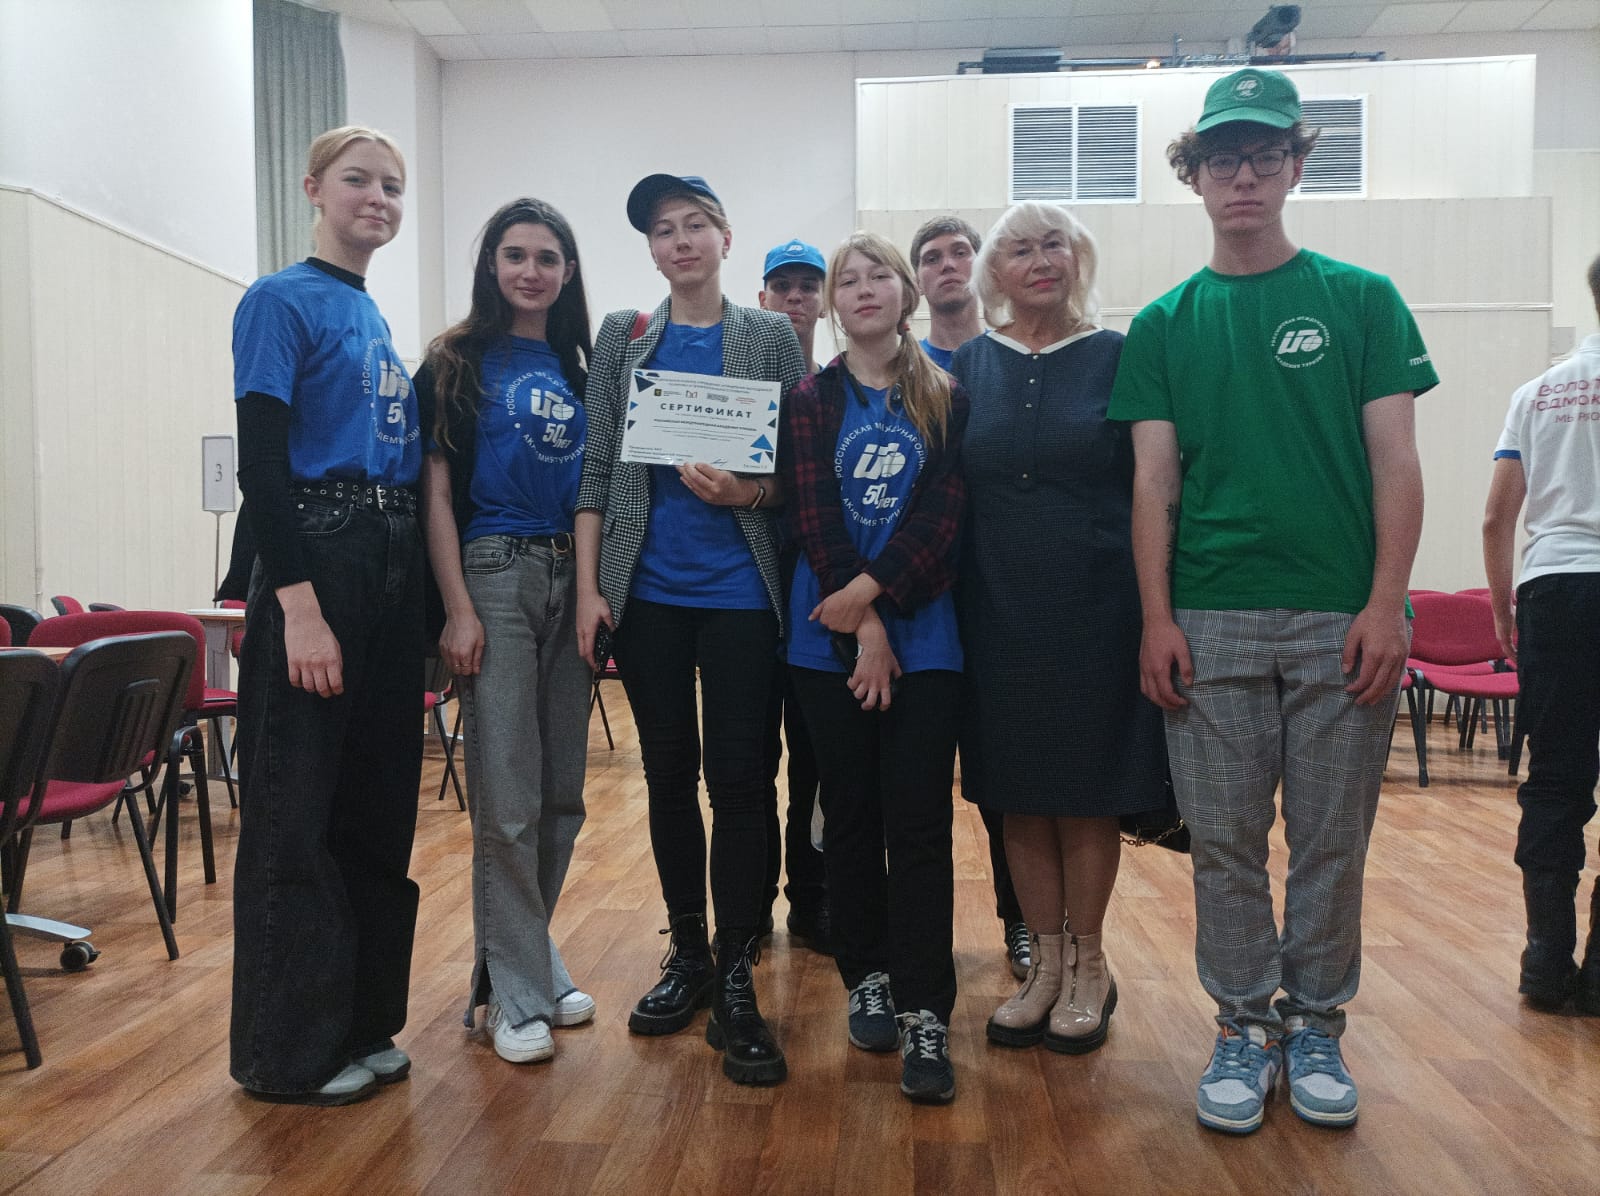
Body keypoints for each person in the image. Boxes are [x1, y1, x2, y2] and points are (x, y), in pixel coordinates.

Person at [1108, 68, 1435, 1135]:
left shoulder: (1363, 299)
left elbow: (1396, 463)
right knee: (1225, 841)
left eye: (1262, 155)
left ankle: (1317, 1025)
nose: (1241, 176)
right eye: (1221, 158)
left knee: (1332, 840)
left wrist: (1386, 603)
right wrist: (1156, 616)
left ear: (1295, 166)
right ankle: (1244, 1025)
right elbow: (1152, 482)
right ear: (1195, 175)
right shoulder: (1163, 324)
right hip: (1208, 616)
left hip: (1342, 616)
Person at [575, 174, 807, 1086]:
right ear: (652, 249)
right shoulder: (624, 336)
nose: (680, 241)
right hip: (648, 596)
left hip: (744, 594)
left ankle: (740, 967)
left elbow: (799, 472)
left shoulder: (769, 336)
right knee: (667, 777)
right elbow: (597, 466)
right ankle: (688, 953)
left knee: (741, 782)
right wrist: (591, 589)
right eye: (664, 230)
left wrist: (750, 490)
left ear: (725, 237)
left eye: (696, 225)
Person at [229, 126, 424, 1106]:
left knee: (376, 809)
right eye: (358, 180)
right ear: (312, 188)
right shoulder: (279, 299)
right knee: (295, 815)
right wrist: (299, 607)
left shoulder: (371, 312)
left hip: (389, 555)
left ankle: (360, 1021)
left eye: (392, 185)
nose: (377, 198)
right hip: (319, 551)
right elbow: (261, 465)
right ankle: (285, 1054)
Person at [954, 202, 1168, 1058]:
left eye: (1056, 245)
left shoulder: (1119, 355)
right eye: (1020, 249)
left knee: (1084, 794)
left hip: (1097, 609)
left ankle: (1088, 965)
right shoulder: (970, 363)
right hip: (994, 609)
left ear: (1078, 259)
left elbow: (1154, 485)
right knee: (1016, 791)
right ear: (994, 272)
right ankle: (1041, 966)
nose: (1041, 260)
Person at [781, 232, 967, 1103]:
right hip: (824, 641)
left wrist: (876, 608)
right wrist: (861, 624)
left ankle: (928, 1007)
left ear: (905, 293)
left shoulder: (946, 395)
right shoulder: (809, 399)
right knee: (849, 818)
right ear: (831, 302)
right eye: (846, 280)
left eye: (878, 275)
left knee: (920, 828)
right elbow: (813, 517)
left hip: (926, 642)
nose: (862, 289)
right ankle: (869, 977)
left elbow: (943, 520)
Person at [416, 198, 596, 1065]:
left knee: (563, 798)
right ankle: (515, 994)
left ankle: (521, 962)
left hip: (570, 574)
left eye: (547, 257)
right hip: (494, 573)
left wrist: (592, 591)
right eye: (516, 254)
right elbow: (436, 493)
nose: (531, 270)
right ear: (491, 264)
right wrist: (457, 607)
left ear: (568, 272)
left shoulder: (582, 369)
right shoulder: (455, 360)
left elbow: (596, 493)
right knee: (510, 797)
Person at [910, 214, 1032, 982]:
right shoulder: (900, 368)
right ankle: (914, 944)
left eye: (962, 252)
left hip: (1001, 603)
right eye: (932, 257)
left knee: (1004, 778)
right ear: (917, 279)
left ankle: (1022, 921)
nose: (949, 265)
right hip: (920, 605)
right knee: (916, 789)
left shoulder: (1011, 364)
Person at [1482, 254, 1600, 1015]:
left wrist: (1504, 610)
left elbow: (1497, 517)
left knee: (1555, 778)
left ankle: (1544, 963)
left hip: (1554, 589)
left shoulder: (1538, 393)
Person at [757, 238, 831, 954]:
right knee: (753, 763)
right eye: (783, 287)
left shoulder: (839, 389)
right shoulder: (737, 389)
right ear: (763, 299)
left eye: (808, 287)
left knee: (815, 760)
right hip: (751, 601)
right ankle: (752, 908)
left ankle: (813, 898)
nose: (796, 298)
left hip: (817, 603)